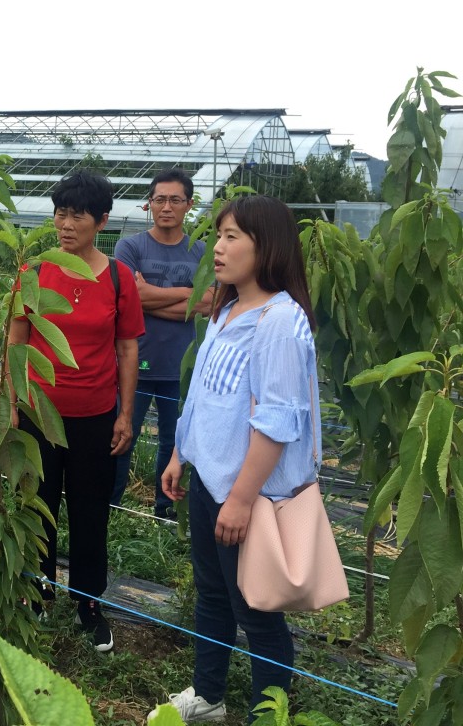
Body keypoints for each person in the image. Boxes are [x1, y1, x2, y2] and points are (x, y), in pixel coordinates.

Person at [151, 195, 319, 722]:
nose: (217, 248)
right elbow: (203, 395)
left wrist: (242, 499)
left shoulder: (279, 322)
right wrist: (181, 453)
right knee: (214, 595)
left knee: (259, 609)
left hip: (249, 495)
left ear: (264, 246)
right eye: (219, 235)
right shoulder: (228, 308)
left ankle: (269, 712)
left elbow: (277, 421)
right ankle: (208, 696)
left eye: (231, 238)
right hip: (210, 482)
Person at [8, 170, 143, 653]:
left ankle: (88, 602)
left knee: (90, 510)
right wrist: (12, 404)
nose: (65, 224)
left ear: (102, 220)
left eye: (77, 215)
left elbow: (127, 349)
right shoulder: (35, 273)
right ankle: (39, 591)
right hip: (41, 413)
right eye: (60, 213)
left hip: (95, 414)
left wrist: (125, 414)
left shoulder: (118, 278)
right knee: (39, 503)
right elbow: (16, 342)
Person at [112, 168, 213, 515]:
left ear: (189, 205)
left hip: (183, 367)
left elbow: (211, 303)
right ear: (148, 205)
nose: (166, 206)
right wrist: (190, 294)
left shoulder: (202, 251)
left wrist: (150, 296)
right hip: (134, 364)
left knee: (175, 444)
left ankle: (164, 513)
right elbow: (129, 298)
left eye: (175, 199)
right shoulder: (130, 246)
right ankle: (110, 507)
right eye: (159, 199)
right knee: (122, 438)